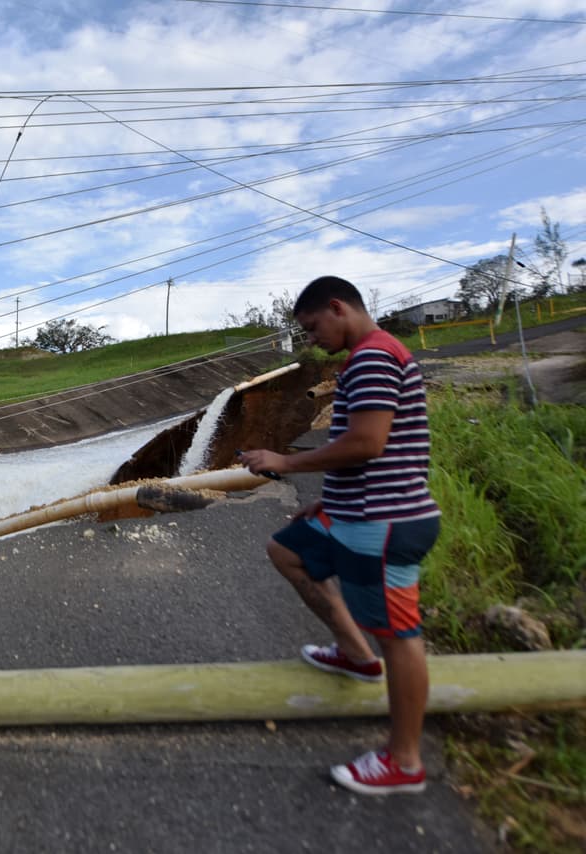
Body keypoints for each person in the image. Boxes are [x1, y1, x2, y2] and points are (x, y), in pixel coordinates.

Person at [239, 275, 440, 796]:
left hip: (384, 523)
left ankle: (404, 762)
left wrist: (285, 460)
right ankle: (355, 655)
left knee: (398, 636)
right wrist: (329, 500)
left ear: (337, 308)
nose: (311, 340)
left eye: (311, 328)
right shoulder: (367, 357)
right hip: (354, 513)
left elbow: (368, 443)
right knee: (286, 550)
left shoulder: (374, 357)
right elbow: (393, 447)